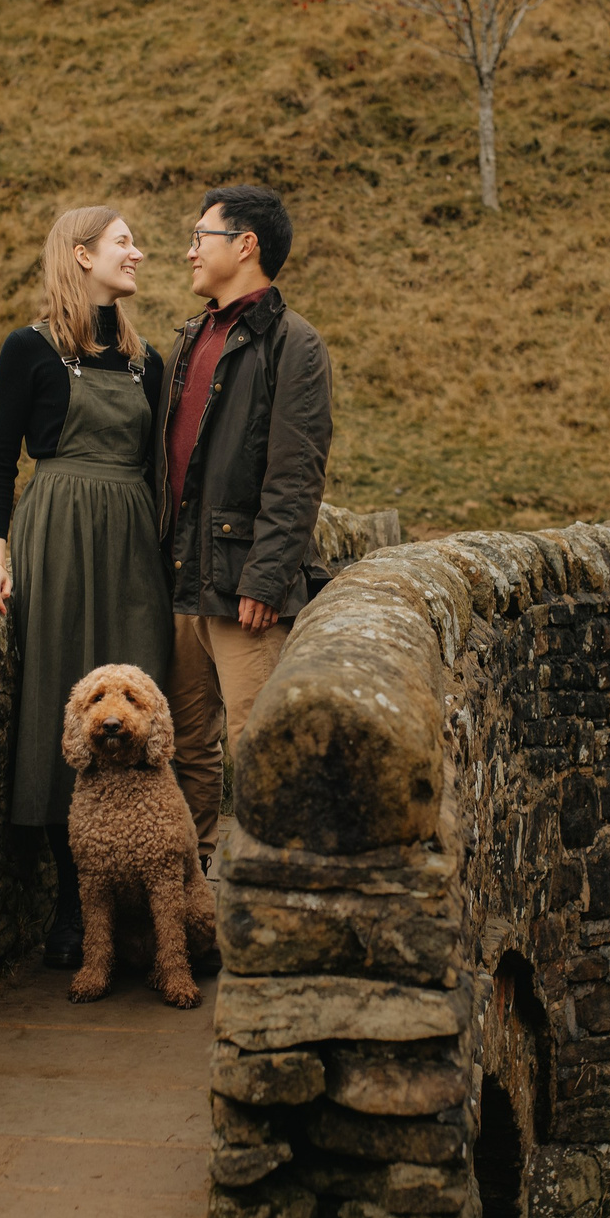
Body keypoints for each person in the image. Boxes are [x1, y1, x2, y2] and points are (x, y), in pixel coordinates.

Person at [0, 207, 173, 970]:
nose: (138, 253)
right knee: (62, 697)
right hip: (54, 534)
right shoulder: (27, 349)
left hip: (130, 542)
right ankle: (68, 899)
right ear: (82, 254)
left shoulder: (146, 359)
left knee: (140, 704)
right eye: (125, 242)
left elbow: (159, 469)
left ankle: (147, 906)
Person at [155, 185, 333, 864]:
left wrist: (265, 577)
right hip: (179, 583)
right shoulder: (191, 336)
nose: (191, 248)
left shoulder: (295, 345)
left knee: (255, 750)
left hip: (244, 594)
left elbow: (295, 476)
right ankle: (191, 907)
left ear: (245, 244)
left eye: (203, 234)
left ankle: (270, 911)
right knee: (183, 751)